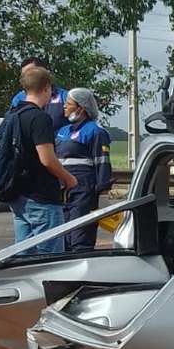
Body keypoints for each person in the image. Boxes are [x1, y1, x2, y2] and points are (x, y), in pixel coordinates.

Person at [11, 66, 76, 253]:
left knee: (24, 254)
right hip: (41, 197)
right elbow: (46, 158)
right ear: (47, 88)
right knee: (49, 256)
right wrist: (68, 178)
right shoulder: (40, 118)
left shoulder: (14, 115)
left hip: (19, 196)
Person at [55, 88, 112, 252]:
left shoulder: (95, 132)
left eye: (68, 104)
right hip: (62, 189)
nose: (64, 107)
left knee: (80, 234)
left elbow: (102, 164)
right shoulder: (63, 132)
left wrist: (103, 194)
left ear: (81, 108)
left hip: (83, 189)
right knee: (62, 235)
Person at [10, 56, 68, 131]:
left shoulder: (64, 97)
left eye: (31, 73)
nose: (27, 77)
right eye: (24, 75)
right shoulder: (18, 99)